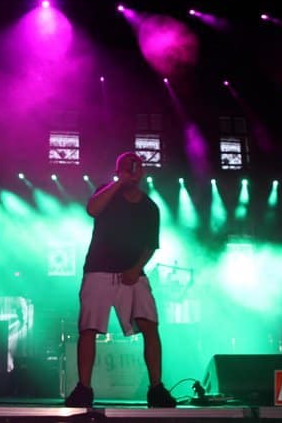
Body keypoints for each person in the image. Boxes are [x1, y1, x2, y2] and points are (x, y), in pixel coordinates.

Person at [65, 152, 176, 408]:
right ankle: (84, 388)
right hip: (98, 270)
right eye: (126, 167)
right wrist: (119, 183)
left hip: (132, 272)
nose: (131, 171)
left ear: (143, 172)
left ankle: (156, 388)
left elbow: (151, 245)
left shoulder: (150, 207)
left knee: (150, 325)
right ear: (118, 171)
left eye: (136, 168)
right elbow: (92, 209)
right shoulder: (106, 192)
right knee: (88, 328)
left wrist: (136, 269)